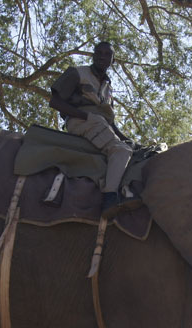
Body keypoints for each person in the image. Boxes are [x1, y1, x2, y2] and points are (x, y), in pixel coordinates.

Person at [49, 41, 137, 216]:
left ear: (113, 60)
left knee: (130, 148)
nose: (102, 57)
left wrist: (125, 138)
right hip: (82, 120)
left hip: (100, 124)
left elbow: (109, 121)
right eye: (99, 53)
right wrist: (87, 116)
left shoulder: (107, 87)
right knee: (120, 151)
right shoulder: (77, 73)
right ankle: (110, 197)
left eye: (107, 54)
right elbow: (55, 102)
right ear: (93, 55)